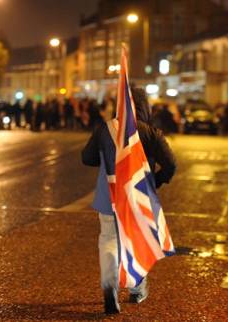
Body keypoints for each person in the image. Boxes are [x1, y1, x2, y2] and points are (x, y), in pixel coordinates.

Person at [81, 87, 176, 314]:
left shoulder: (105, 129)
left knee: (109, 239)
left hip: (109, 192)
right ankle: (137, 289)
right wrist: (156, 181)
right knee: (137, 239)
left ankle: (109, 288)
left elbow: (87, 158)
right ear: (144, 107)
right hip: (138, 193)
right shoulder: (151, 132)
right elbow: (171, 164)